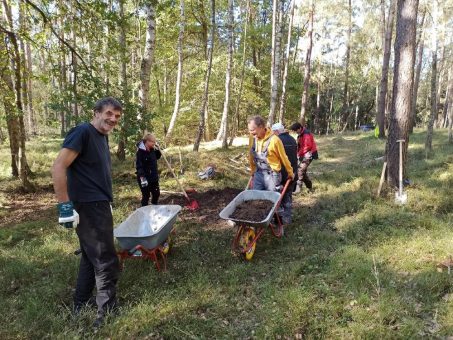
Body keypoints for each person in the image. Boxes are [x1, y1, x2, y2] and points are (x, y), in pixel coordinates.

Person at [51, 97, 123, 329]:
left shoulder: (101, 137)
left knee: (90, 256)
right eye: (109, 113)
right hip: (89, 205)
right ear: (96, 113)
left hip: (98, 203)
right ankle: (107, 311)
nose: (113, 119)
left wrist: (106, 200)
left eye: (117, 116)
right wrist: (65, 206)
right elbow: (59, 166)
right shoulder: (82, 131)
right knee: (105, 259)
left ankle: (80, 303)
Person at [247, 116, 294, 192]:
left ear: (261, 127)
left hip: (272, 175)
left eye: (252, 130)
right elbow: (251, 155)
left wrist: (290, 172)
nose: (251, 133)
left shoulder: (275, 140)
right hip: (258, 173)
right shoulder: (252, 138)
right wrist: (252, 170)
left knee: (270, 200)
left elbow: (284, 158)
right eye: (249, 130)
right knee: (255, 200)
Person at [271, 122, 298, 224]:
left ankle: (278, 220)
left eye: (273, 132)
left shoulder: (278, 140)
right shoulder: (292, 139)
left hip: (281, 174)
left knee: (278, 197)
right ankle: (287, 218)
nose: (273, 135)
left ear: (277, 132)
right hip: (292, 173)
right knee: (288, 195)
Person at [288, 120, 318, 193]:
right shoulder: (301, 134)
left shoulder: (306, 134)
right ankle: (310, 187)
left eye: (295, 131)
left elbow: (307, 146)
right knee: (303, 172)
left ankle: (298, 189)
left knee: (300, 170)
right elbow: (300, 145)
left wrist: (299, 154)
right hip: (303, 155)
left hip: (309, 155)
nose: (295, 132)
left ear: (299, 128)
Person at [135, 133, 162, 206]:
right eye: (153, 141)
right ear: (147, 141)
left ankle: (154, 206)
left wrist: (158, 150)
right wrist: (143, 178)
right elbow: (139, 166)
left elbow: (157, 157)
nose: (154, 143)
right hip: (144, 178)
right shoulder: (140, 152)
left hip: (153, 176)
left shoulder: (152, 149)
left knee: (156, 193)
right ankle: (144, 212)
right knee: (146, 196)